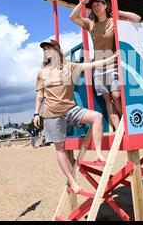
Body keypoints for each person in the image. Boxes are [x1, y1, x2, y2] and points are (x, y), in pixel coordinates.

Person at [34, 39, 117, 193]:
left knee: (97, 117)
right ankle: (72, 182)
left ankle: (98, 153)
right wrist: (36, 113)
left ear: (57, 50)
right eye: (44, 49)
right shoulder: (41, 73)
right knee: (60, 149)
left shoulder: (69, 66)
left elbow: (90, 65)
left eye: (49, 48)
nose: (46, 51)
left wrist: (112, 58)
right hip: (51, 114)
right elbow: (40, 94)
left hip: (70, 109)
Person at [69, 0, 141, 130]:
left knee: (116, 95)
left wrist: (118, 12)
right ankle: (119, 129)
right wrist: (82, 3)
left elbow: (137, 19)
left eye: (98, 5)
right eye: (93, 6)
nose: (95, 7)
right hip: (98, 67)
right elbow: (72, 17)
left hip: (113, 64)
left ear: (105, 6)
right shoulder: (91, 23)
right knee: (108, 99)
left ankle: (126, 124)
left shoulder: (113, 21)